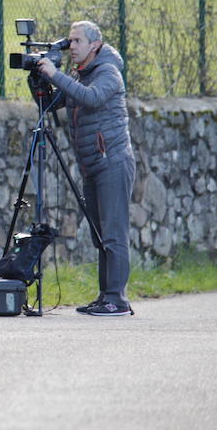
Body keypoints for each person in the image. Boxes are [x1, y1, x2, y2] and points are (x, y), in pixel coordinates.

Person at [37, 20, 136, 316]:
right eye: (70, 41)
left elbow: (90, 98)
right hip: (92, 165)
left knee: (114, 234)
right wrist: (40, 78)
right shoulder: (81, 74)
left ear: (95, 45)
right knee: (98, 235)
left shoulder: (108, 72)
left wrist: (56, 74)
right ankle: (105, 295)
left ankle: (116, 299)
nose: (72, 47)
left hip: (113, 162)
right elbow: (53, 104)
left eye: (77, 41)